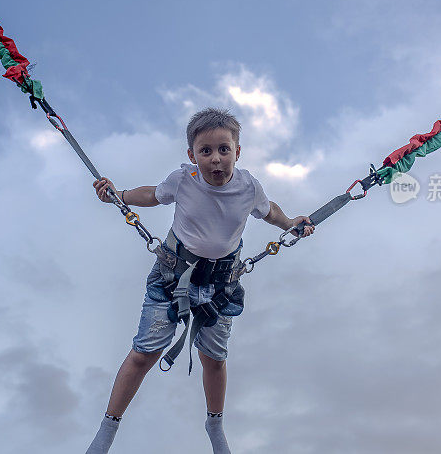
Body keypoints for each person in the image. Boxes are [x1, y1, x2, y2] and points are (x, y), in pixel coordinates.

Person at [85, 107, 314, 454]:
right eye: (205, 151)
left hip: (220, 284)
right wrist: (119, 195)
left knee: (214, 358)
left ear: (237, 152)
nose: (216, 159)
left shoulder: (249, 186)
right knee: (144, 353)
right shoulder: (183, 180)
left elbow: (270, 211)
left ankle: (215, 423)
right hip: (172, 274)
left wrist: (290, 224)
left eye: (224, 149)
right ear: (192, 156)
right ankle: (108, 428)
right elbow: (152, 195)